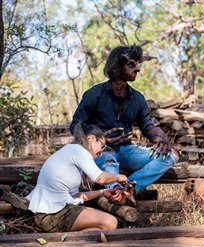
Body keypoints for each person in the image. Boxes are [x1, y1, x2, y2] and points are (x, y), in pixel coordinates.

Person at [70, 45, 179, 195]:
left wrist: (161, 139)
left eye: (137, 64)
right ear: (116, 66)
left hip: (128, 151)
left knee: (171, 154)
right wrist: (100, 139)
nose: (138, 69)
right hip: (102, 152)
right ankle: (119, 193)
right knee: (110, 165)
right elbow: (76, 125)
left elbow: (147, 127)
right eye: (131, 65)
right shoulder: (94, 94)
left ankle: (129, 189)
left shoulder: (138, 98)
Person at [26, 124, 129, 232]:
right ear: (92, 139)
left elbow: (75, 196)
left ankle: (71, 241)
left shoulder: (72, 151)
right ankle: (69, 243)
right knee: (111, 222)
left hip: (54, 211)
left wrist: (103, 192)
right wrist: (119, 177)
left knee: (108, 226)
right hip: (51, 215)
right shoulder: (79, 150)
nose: (101, 152)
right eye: (102, 146)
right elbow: (100, 178)